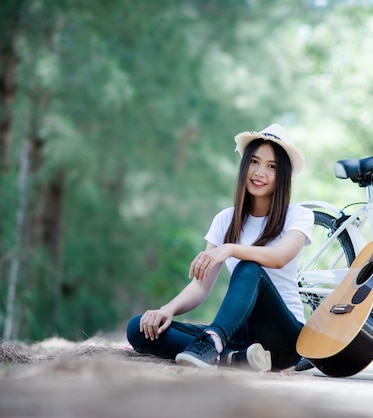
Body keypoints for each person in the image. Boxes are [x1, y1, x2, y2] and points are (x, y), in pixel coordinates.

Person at [126, 123, 314, 372]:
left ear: (283, 176)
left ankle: (213, 342)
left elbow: (279, 257)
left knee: (250, 268)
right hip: (241, 338)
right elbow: (201, 286)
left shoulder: (298, 216)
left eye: (272, 167)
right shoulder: (225, 219)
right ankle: (233, 358)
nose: (259, 172)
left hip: (285, 339)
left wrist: (231, 248)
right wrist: (166, 309)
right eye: (254, 162)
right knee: (141, 328)